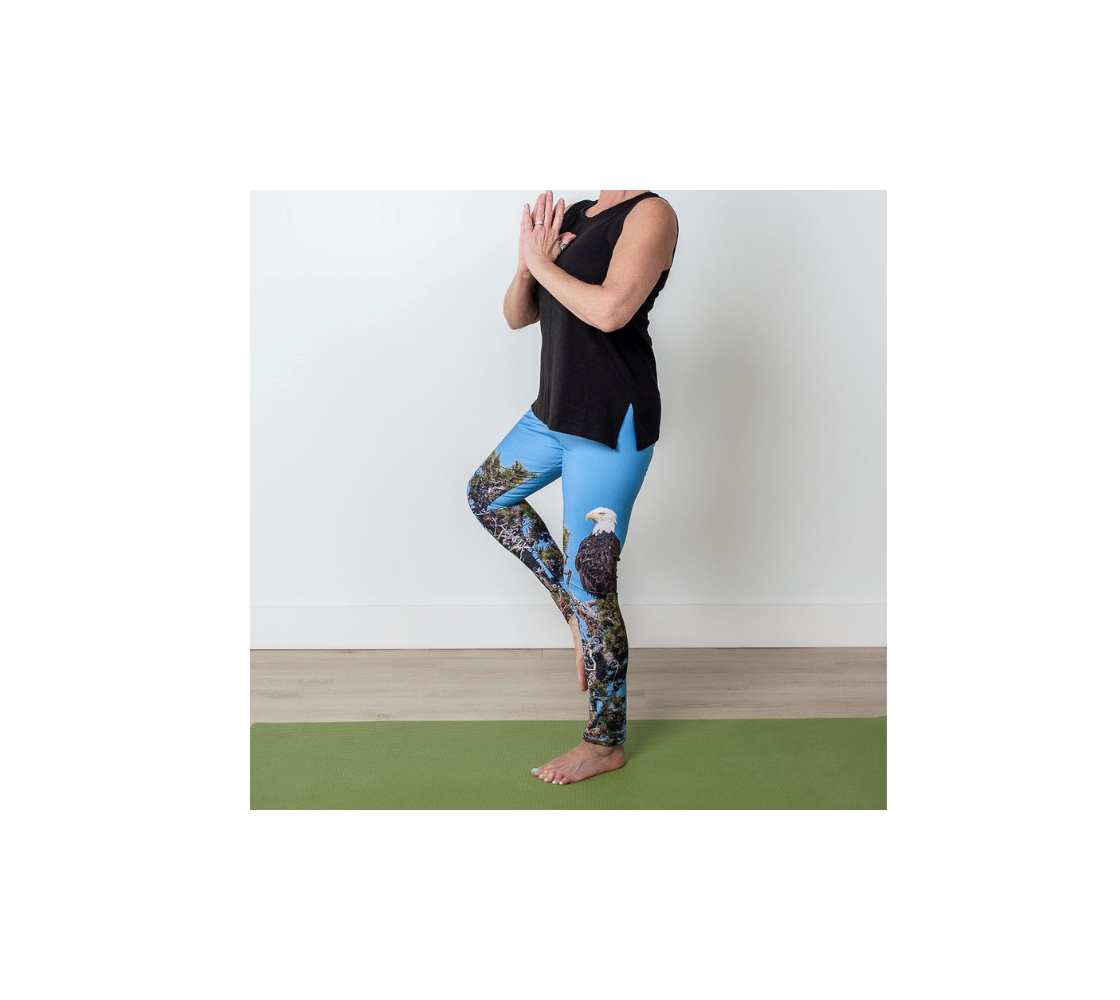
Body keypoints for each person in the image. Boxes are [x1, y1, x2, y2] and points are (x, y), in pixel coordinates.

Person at [466, 189, 678, 785]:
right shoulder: (578, 213)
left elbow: (611, 311)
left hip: (611, 420)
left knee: (594, 583)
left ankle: (605, 742)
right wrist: (525, 261)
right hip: (553, 413)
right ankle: (575, 618)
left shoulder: (651, 214)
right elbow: (518, 315)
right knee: (487, 494)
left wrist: (543, 263)